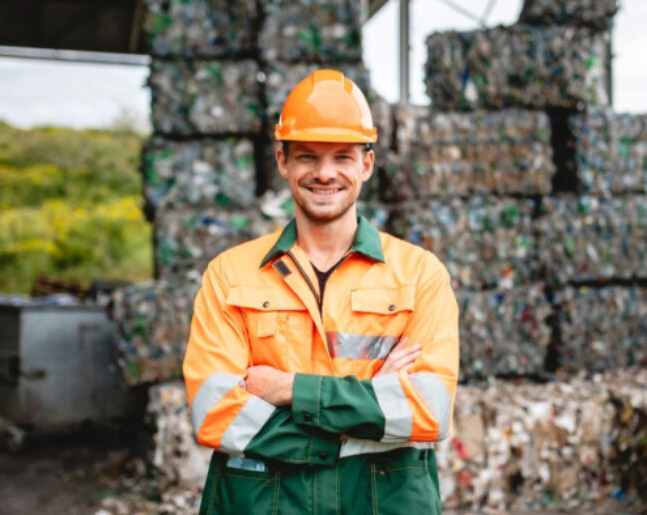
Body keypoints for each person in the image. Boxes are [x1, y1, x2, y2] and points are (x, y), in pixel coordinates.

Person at [183, 69, 459, 514]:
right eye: (308, 156)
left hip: (379, 502)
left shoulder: (420, 275)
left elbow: (427, 412)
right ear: (282, 161)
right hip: (264, 503)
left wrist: (290, 389)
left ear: (366, 164)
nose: (325, 173)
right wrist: (371, 400)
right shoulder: (230, 275)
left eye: (343, 157)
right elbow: (218, 413)